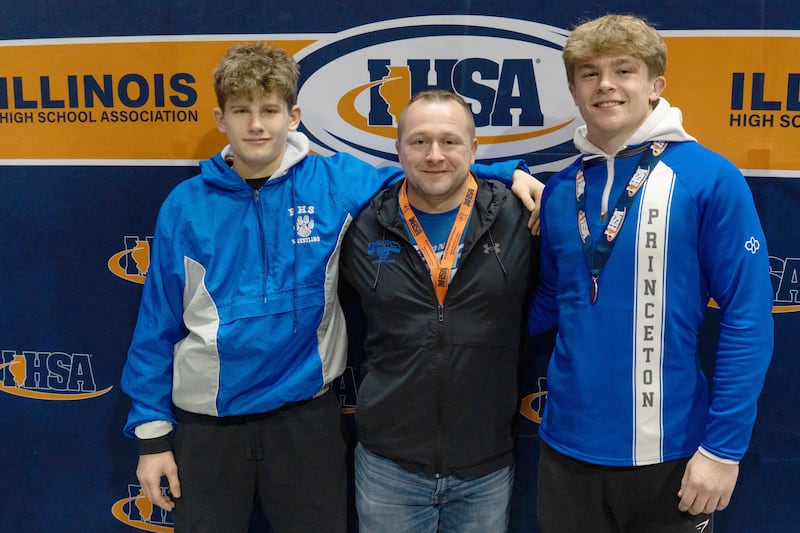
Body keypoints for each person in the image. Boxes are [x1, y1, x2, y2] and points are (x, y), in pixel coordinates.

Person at [120, 42, 543, 533]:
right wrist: (152, 437)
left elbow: (427, 171)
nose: (256, 125)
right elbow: (157, 323)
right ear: (220, 118)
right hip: (209, 426)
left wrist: (508, 173)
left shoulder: (335, 181)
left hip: (306, 420)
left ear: (293, 115)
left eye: (269, 110)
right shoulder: (185, 205)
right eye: (241, 111)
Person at [528, 14, 774, 532]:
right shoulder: (559, 189)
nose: (606, 85)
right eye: (589, 74)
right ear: (573, 89)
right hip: (565, 453)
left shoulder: (709, 177)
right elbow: (550, 300)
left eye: (624, 70)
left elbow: (748, 317)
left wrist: (723, 450)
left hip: (673, 456)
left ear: (656, 84)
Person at [339, 89, 538, 533]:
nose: (434, 155)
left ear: (473, 149)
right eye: (419, 141)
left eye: (449, 142)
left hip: (484, 466)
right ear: (398, 149)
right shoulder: (362, 223)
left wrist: (512, 174)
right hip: (388, 465)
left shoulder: (519, 217)